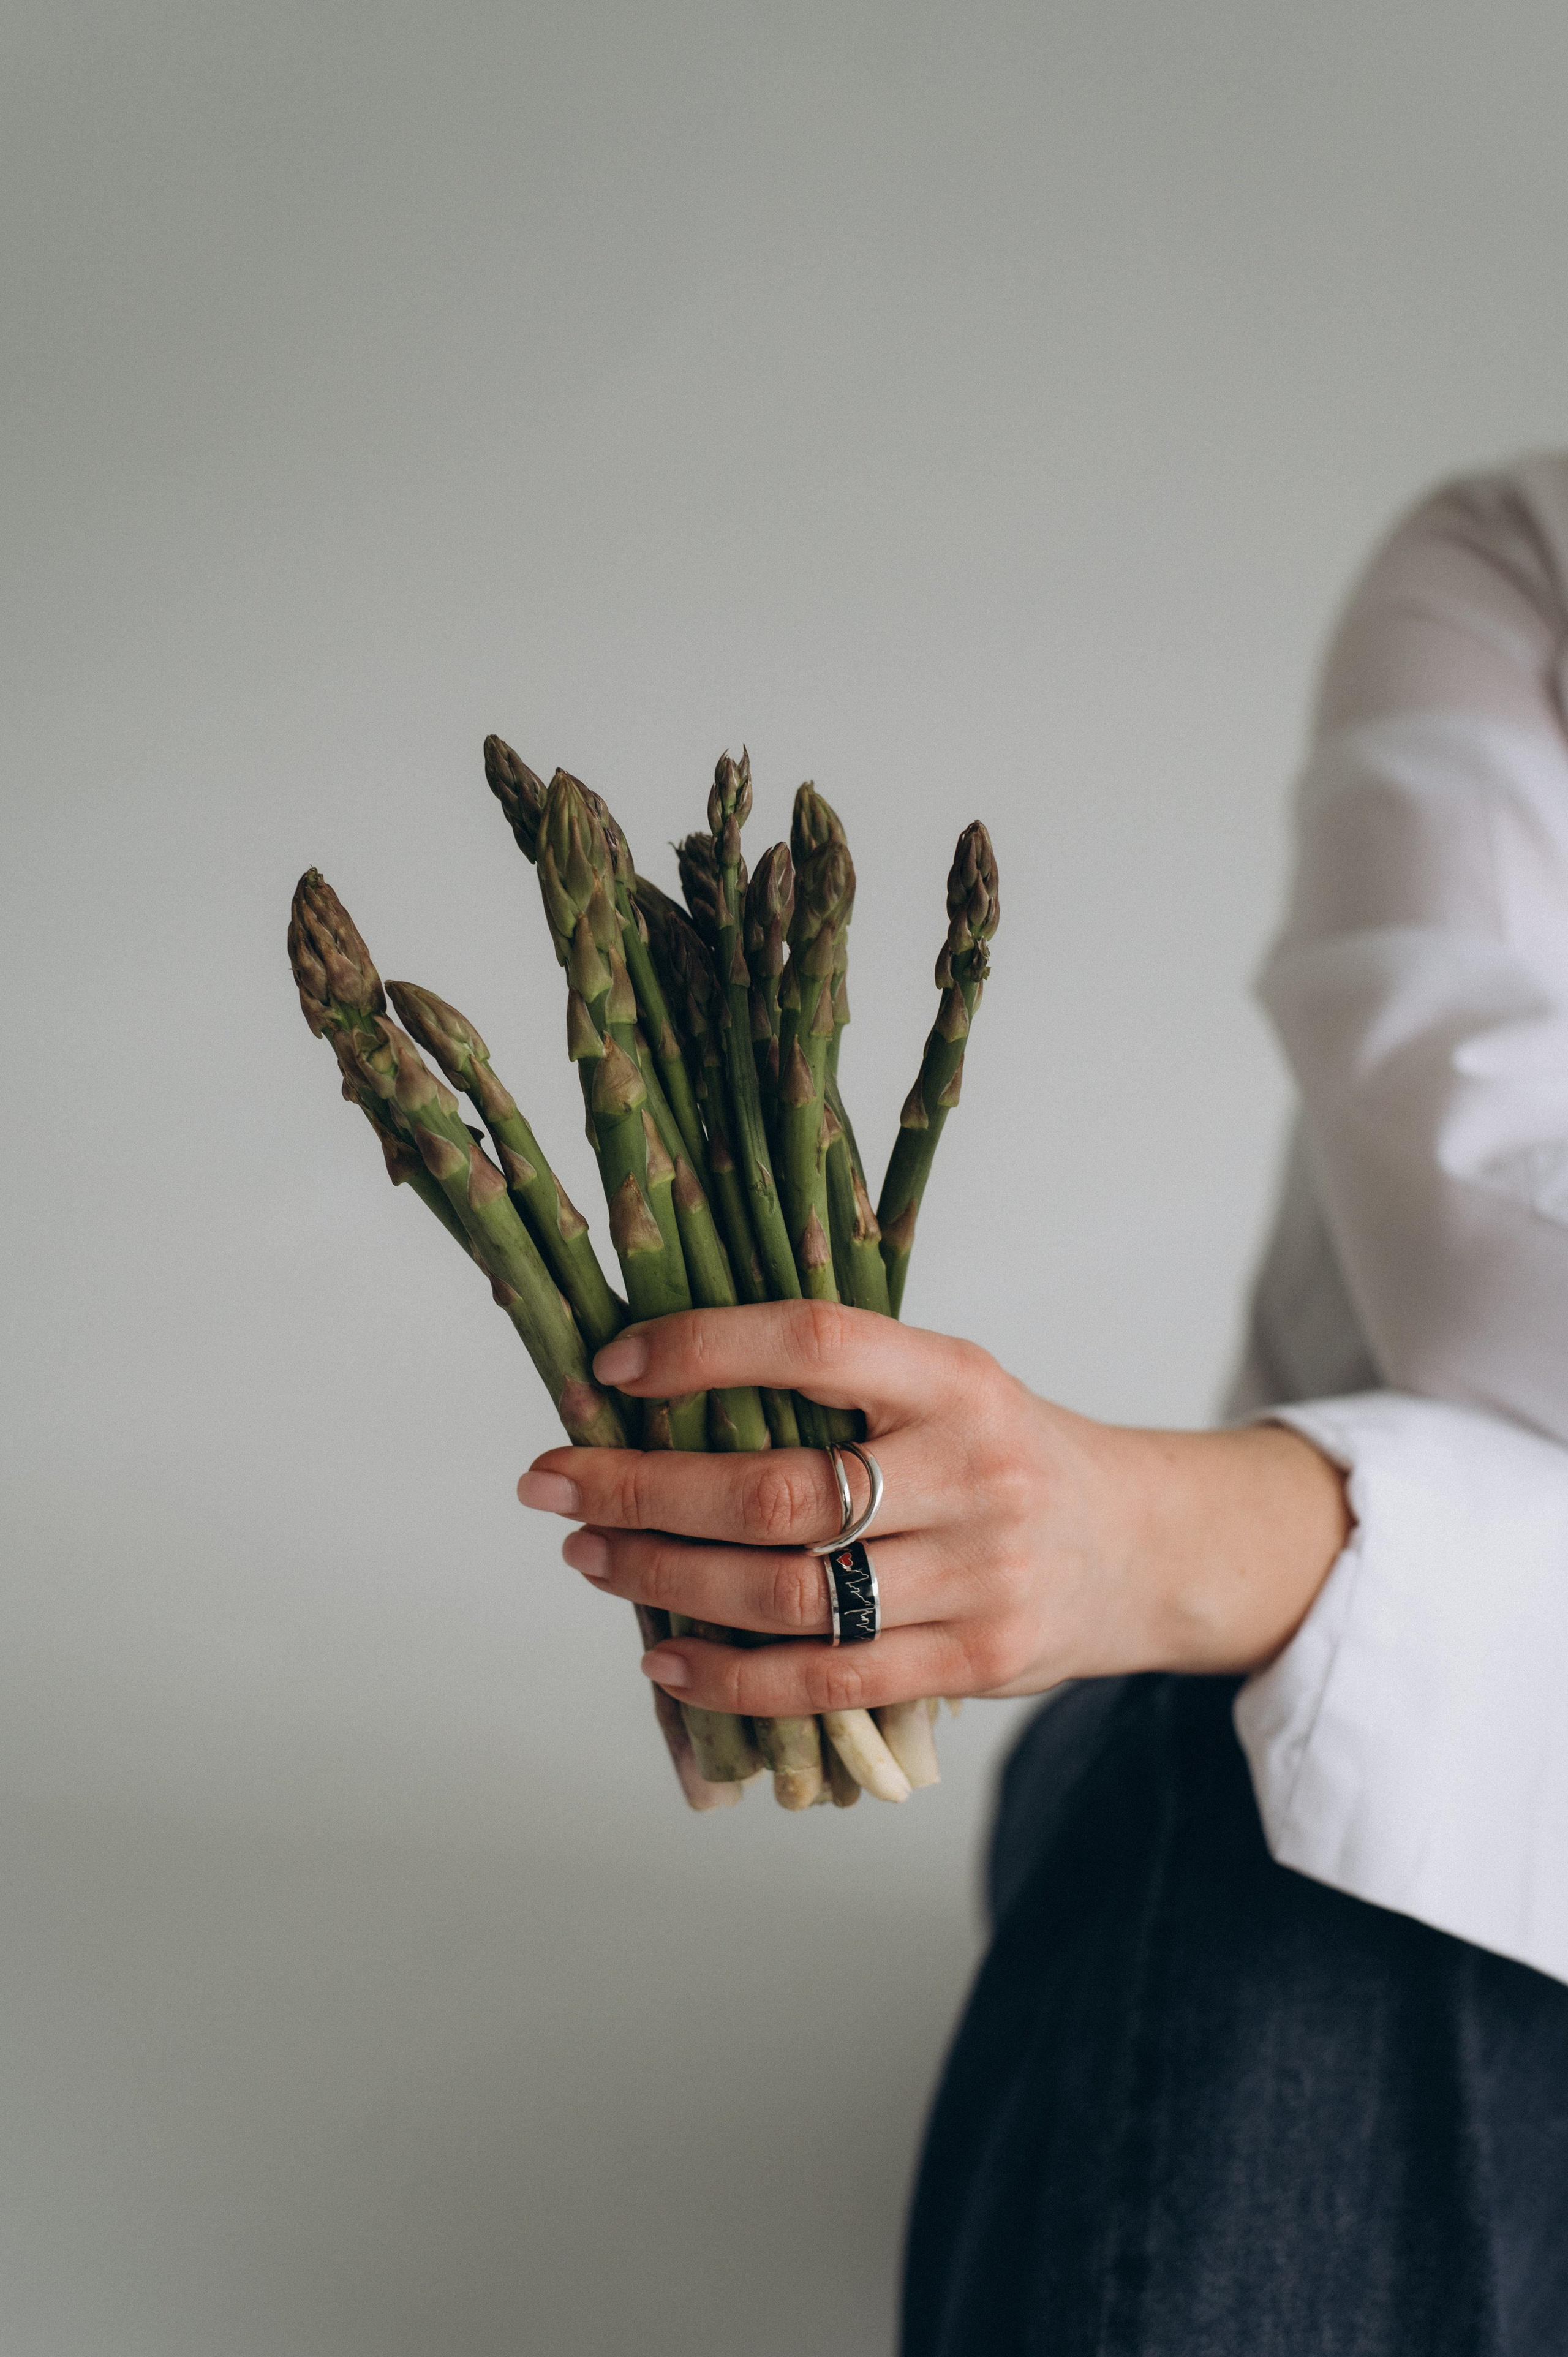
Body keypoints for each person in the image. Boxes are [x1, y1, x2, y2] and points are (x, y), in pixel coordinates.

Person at [517, 458, 1568, 2354]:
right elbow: (1505, 1265)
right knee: (1306, 1758)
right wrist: (1253, 1612)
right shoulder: (1518, 572)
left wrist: (1230, 1547)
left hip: (1227, 1624)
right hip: (1258, 1804)